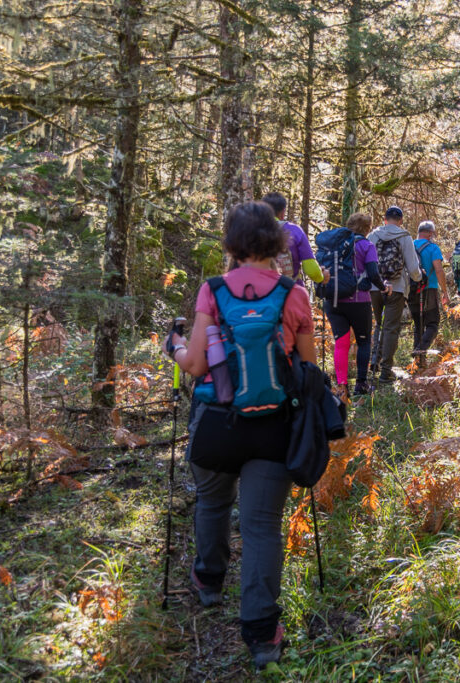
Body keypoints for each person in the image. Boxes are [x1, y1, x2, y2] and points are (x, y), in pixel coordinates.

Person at [164, 201, 315, 669]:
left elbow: (193, 365)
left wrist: (170, 345)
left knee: (211, 502)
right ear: (277, 241)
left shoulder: (212, 292)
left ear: (230, 243)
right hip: (273, 430)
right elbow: (308, 371)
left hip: (216, 424)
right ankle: (262, 634)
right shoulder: (294, 295)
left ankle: (208, 583)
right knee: (262, 526)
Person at [322, 212, 388, 398]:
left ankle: (342, 387)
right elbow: (373, 273)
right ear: (367, 229)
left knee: (341, 343)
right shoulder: (366, 246)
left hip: (333, 300)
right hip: (358, 301)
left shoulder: (335, 246)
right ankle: (361, 384)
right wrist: (384, 288)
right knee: (364, 341)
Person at [368, 206, 422, 383]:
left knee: (379, 324)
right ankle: (386, 372)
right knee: (391, 327)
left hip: (375, 287)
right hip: (397, 288)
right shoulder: (404, 236)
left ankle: (374, 362)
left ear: (384, 219)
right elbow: (413, 269)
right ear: (400, 221)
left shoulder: (373, 236)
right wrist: (419, 277)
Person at [261, 192, 328, 287]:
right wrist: (321, 277)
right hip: (289, 291)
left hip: (258, 293)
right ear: (283, 212)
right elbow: (312, 271)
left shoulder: (252, 231)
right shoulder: (295, 231)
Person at [408, 221, 448, 357]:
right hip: (429, 289)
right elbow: (439, 270)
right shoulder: (433, 248)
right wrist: (444, 291)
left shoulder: (409, 246)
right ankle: (419, 350)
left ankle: (418, 362)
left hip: (411, 290)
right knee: (432, 324)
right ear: (430, 233)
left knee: (418, 324)